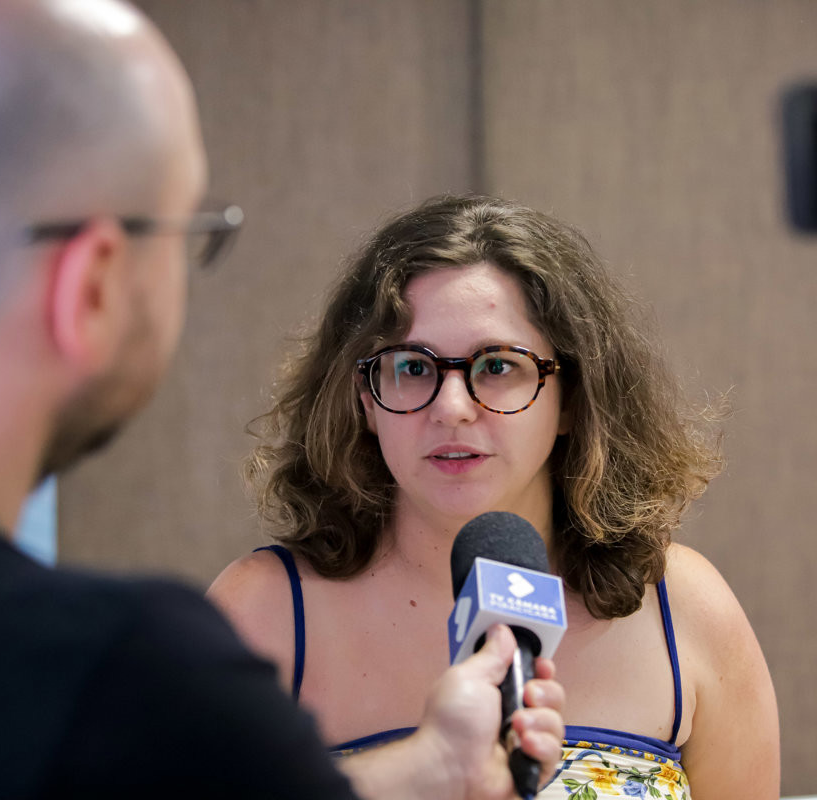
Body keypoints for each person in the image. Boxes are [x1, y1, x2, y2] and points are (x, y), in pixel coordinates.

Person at [0, 2, 565, 798]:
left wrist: (434, 767)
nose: (455, 405)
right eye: (183, 235)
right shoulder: (131, 681)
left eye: (498, 368)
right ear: (93, 283)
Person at [210, 194, 781, 799]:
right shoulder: (262, 615)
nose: (451, 409)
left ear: (573, 400)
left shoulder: (682, 606)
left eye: (498, 366)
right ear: (365, 401)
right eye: (411, 367)